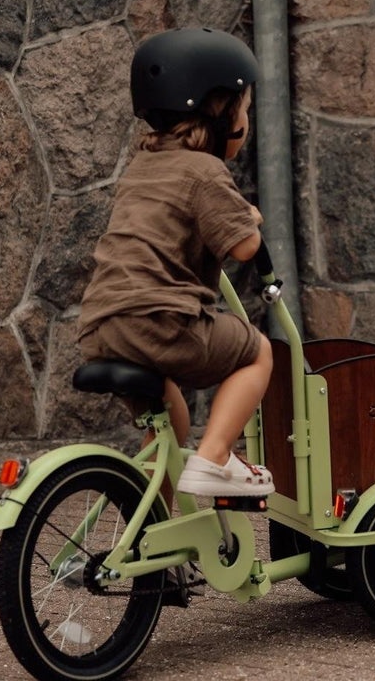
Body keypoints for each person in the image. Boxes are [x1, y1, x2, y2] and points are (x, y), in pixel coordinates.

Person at [77, 27, 275, 498]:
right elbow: (245, 247)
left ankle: (153, 530)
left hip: (102, 325)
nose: (246, 118)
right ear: (222, 110)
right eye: (244, 107)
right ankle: (215, 459)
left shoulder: (142, 165)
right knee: (258, 352)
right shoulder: (206, 170)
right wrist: (248, 216)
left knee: (170, 419)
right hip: (159, 320)